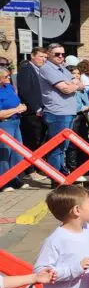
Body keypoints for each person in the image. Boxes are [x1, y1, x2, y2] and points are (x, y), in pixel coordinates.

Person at [37, 44, 82, 176]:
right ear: (49, 54)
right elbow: (66, 89)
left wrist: (72, 84)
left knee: (64, 147)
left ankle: (61, 173)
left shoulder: (62, 68)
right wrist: (72, 84)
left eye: (63, 54)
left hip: (68, 111)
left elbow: (80, 84)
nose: (61, 56)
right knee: (56, 147)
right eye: (57, 54)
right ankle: (55, 176)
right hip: (57, 112)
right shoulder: (47, 68)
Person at [17, 48, 46, 173]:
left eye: (45, 57)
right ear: (32, 56)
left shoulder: (42, 70)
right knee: (31, 141)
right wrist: (37, 108)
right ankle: (29, 170)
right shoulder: (25, 70)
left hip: (43, 111)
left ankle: (38, 167)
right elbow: (25, 91)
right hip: (31, 112)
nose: (44, 59)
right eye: (41, 56)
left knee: (40, 141)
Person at [0, 67, 26, 190]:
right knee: (5, 153)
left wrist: (22, 106)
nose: (9, 78)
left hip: (15, 122)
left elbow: (17, 102)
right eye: (5, 76)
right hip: (5, 123)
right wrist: (16, 109)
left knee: (17, 152)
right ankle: (3, 181)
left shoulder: (9, 87)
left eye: (9, 76)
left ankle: (14, 178)